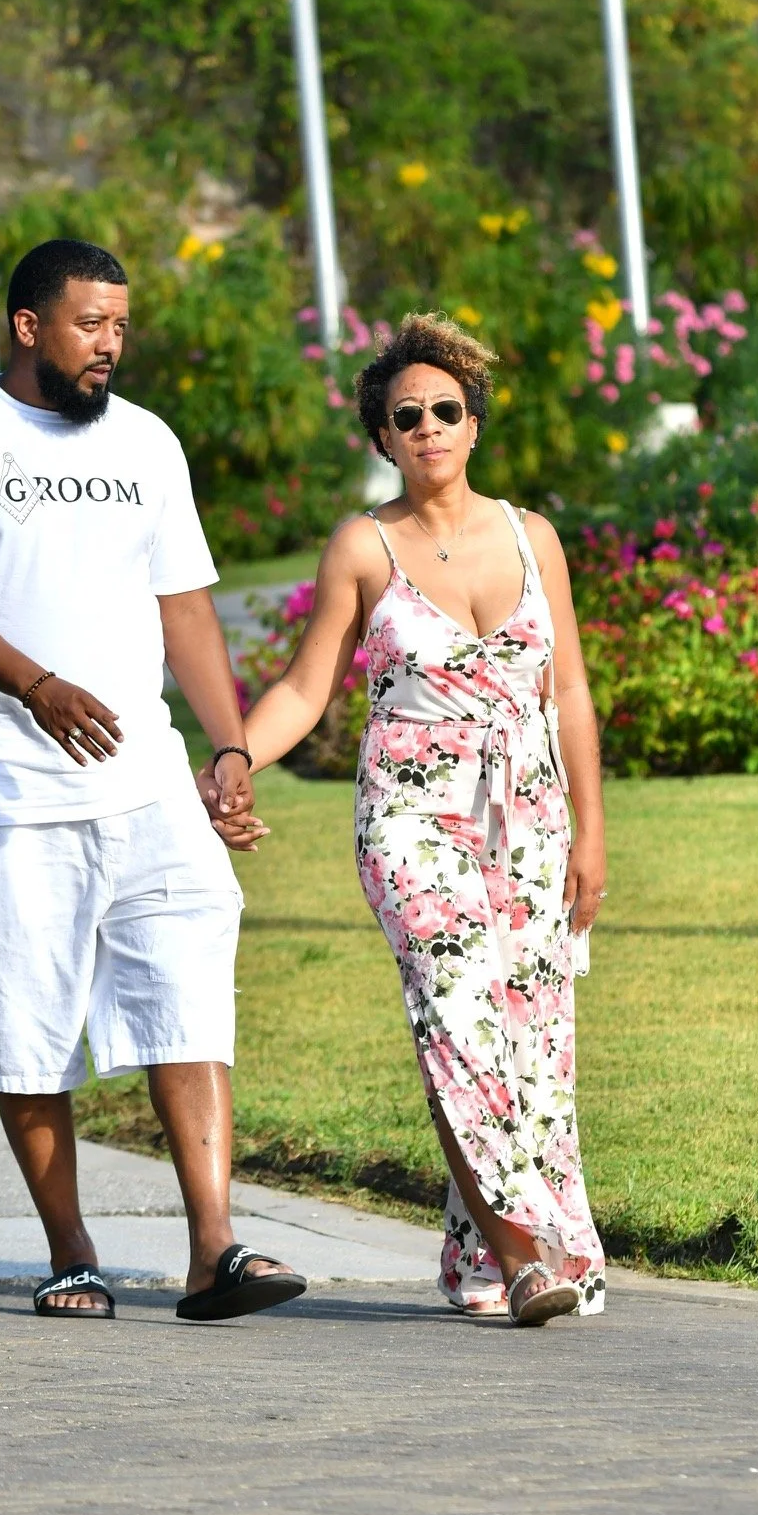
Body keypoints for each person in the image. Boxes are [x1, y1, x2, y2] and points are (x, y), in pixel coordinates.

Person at [0, 237, 305, 1324]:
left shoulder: (148, 443)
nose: (110, 345)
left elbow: (187, 608)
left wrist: (229, 751)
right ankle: (72, 1252)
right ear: (29, 325)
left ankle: (214, 1249)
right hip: (7, 793)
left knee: (190, 988)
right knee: (26, 1022)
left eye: (120, 326)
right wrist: (35, 685)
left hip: (149, 781)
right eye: (90, 326)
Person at [218, 313, 607, 1325]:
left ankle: (483, 1259)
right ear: (382, 439)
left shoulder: (534, 540)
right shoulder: (364, 546)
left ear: (473, 426)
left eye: (447, 410)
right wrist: (231, 758)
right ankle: (524, 1258)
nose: (429, 427)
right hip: (412, 818)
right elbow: (307, 690)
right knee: (456, 1016)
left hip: (528, 818)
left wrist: (593, 834)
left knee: (527, 1038)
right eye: (407, 416)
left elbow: (568, 694)